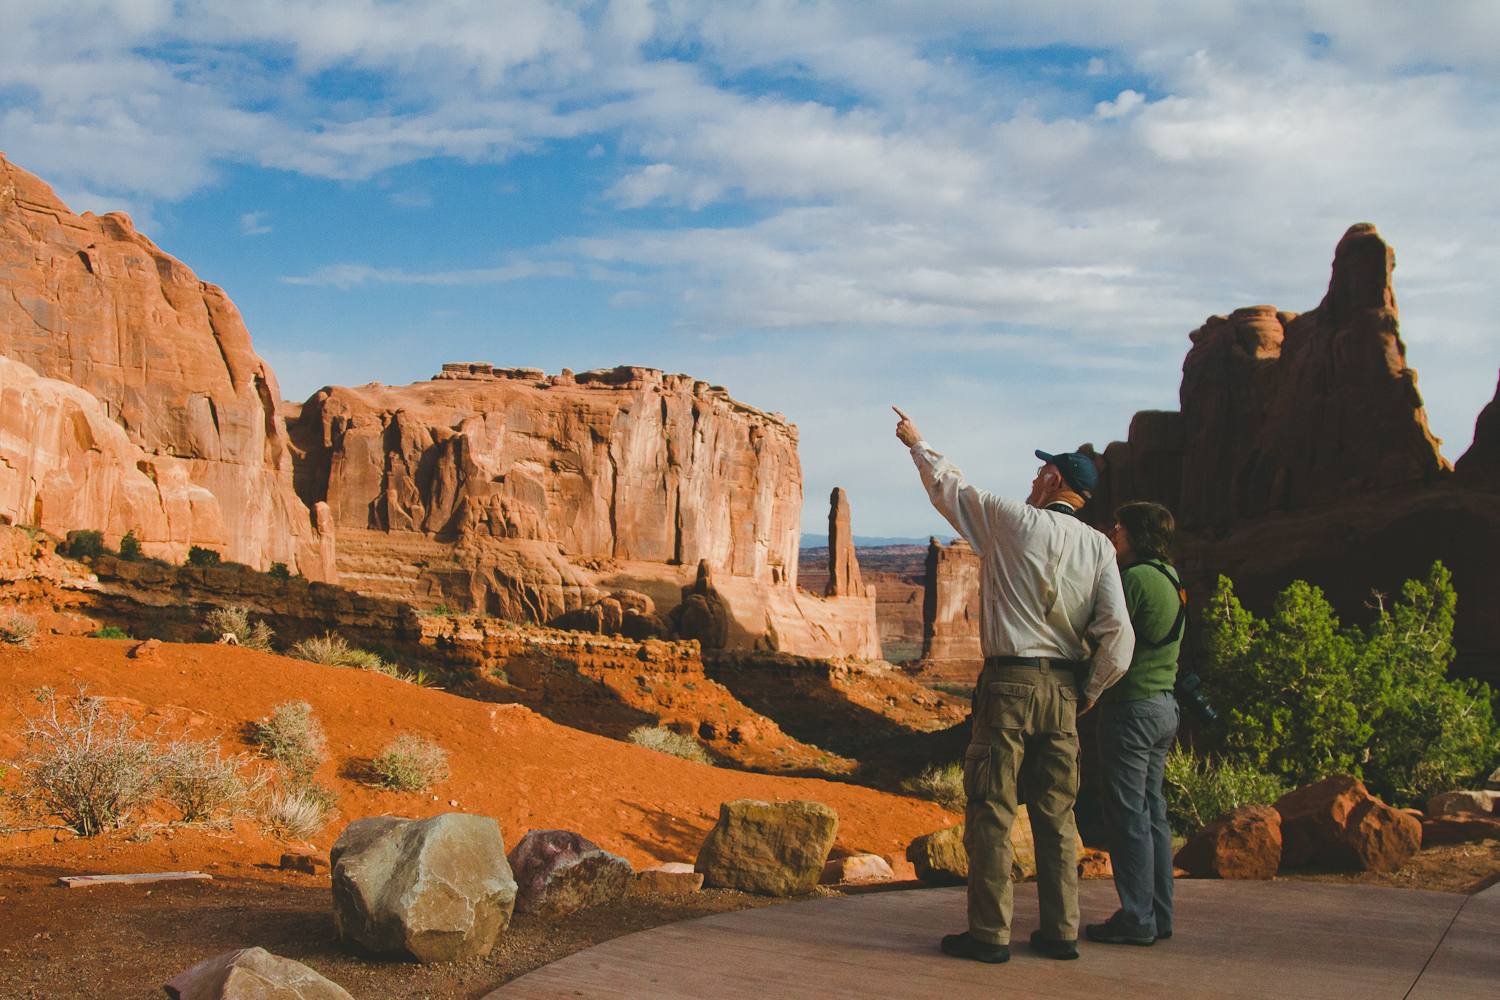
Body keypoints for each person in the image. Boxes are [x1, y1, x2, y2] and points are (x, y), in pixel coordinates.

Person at [893, 407, 1133, 965]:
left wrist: (916, 442)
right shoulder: (1100, 547)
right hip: (1064, 690)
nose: (1032, 480)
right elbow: (1118, 636)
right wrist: (1090, 692)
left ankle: (990, 936)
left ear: (1053, 480)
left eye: (1039, 473)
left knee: (992, 808)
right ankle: (1060, 933)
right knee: (1056, 814)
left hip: (1008, 687)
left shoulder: (1012, 520)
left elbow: (950, 489)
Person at [1087, 502, 1183, 947]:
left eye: (1119, 525)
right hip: (1165, 707)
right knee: (1154, 815)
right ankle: (1158, 916)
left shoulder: (1136, 578)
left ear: (1138, 533)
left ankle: (1137, 919)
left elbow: (1104, 630)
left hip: (1132, 709)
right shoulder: (1169, 576)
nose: (1113, 530)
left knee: (1128, 816)